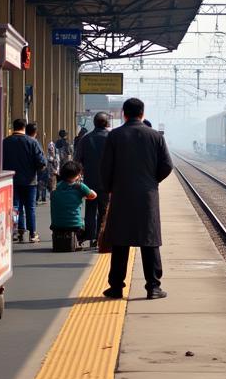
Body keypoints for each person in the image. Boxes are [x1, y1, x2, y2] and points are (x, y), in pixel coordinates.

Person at [100, 97, 174, 300]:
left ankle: (116, 287)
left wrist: (109, 189)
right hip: (147, 196)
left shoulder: (115, 136)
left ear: (124, 113)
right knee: (149, 240)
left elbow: (106, 167)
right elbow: (167, 165)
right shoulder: (155, 136)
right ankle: (153, 287)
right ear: (142, 114)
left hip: (121, 194)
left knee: (120, 241)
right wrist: (152, 180)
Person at [3, 118, 45, 242]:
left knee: (15, 207)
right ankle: (32, 234)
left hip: (11, 180)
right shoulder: (32, 142)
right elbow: (41, 162)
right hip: (30, 180)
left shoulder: (5, 142)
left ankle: (17, 231)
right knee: (30, 207)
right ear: (24, 127)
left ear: (13, 126)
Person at [76, 112, 111, 246]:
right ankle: (101, 237)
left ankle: (90, 237)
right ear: (107, 123)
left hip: (89, 181)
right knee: (104, 211)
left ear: (94, 123)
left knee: (90, 209)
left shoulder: (85, 138)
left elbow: (77, 160)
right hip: (107, 182)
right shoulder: (111, 138)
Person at [49, 160, 97, 246]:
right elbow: (93, 196)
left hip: (56, 226)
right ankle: (81, 239)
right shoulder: (80, 186)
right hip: (75, 226)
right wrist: (90, 192)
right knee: (85, 223)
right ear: (77, 175)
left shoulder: (57, 187)